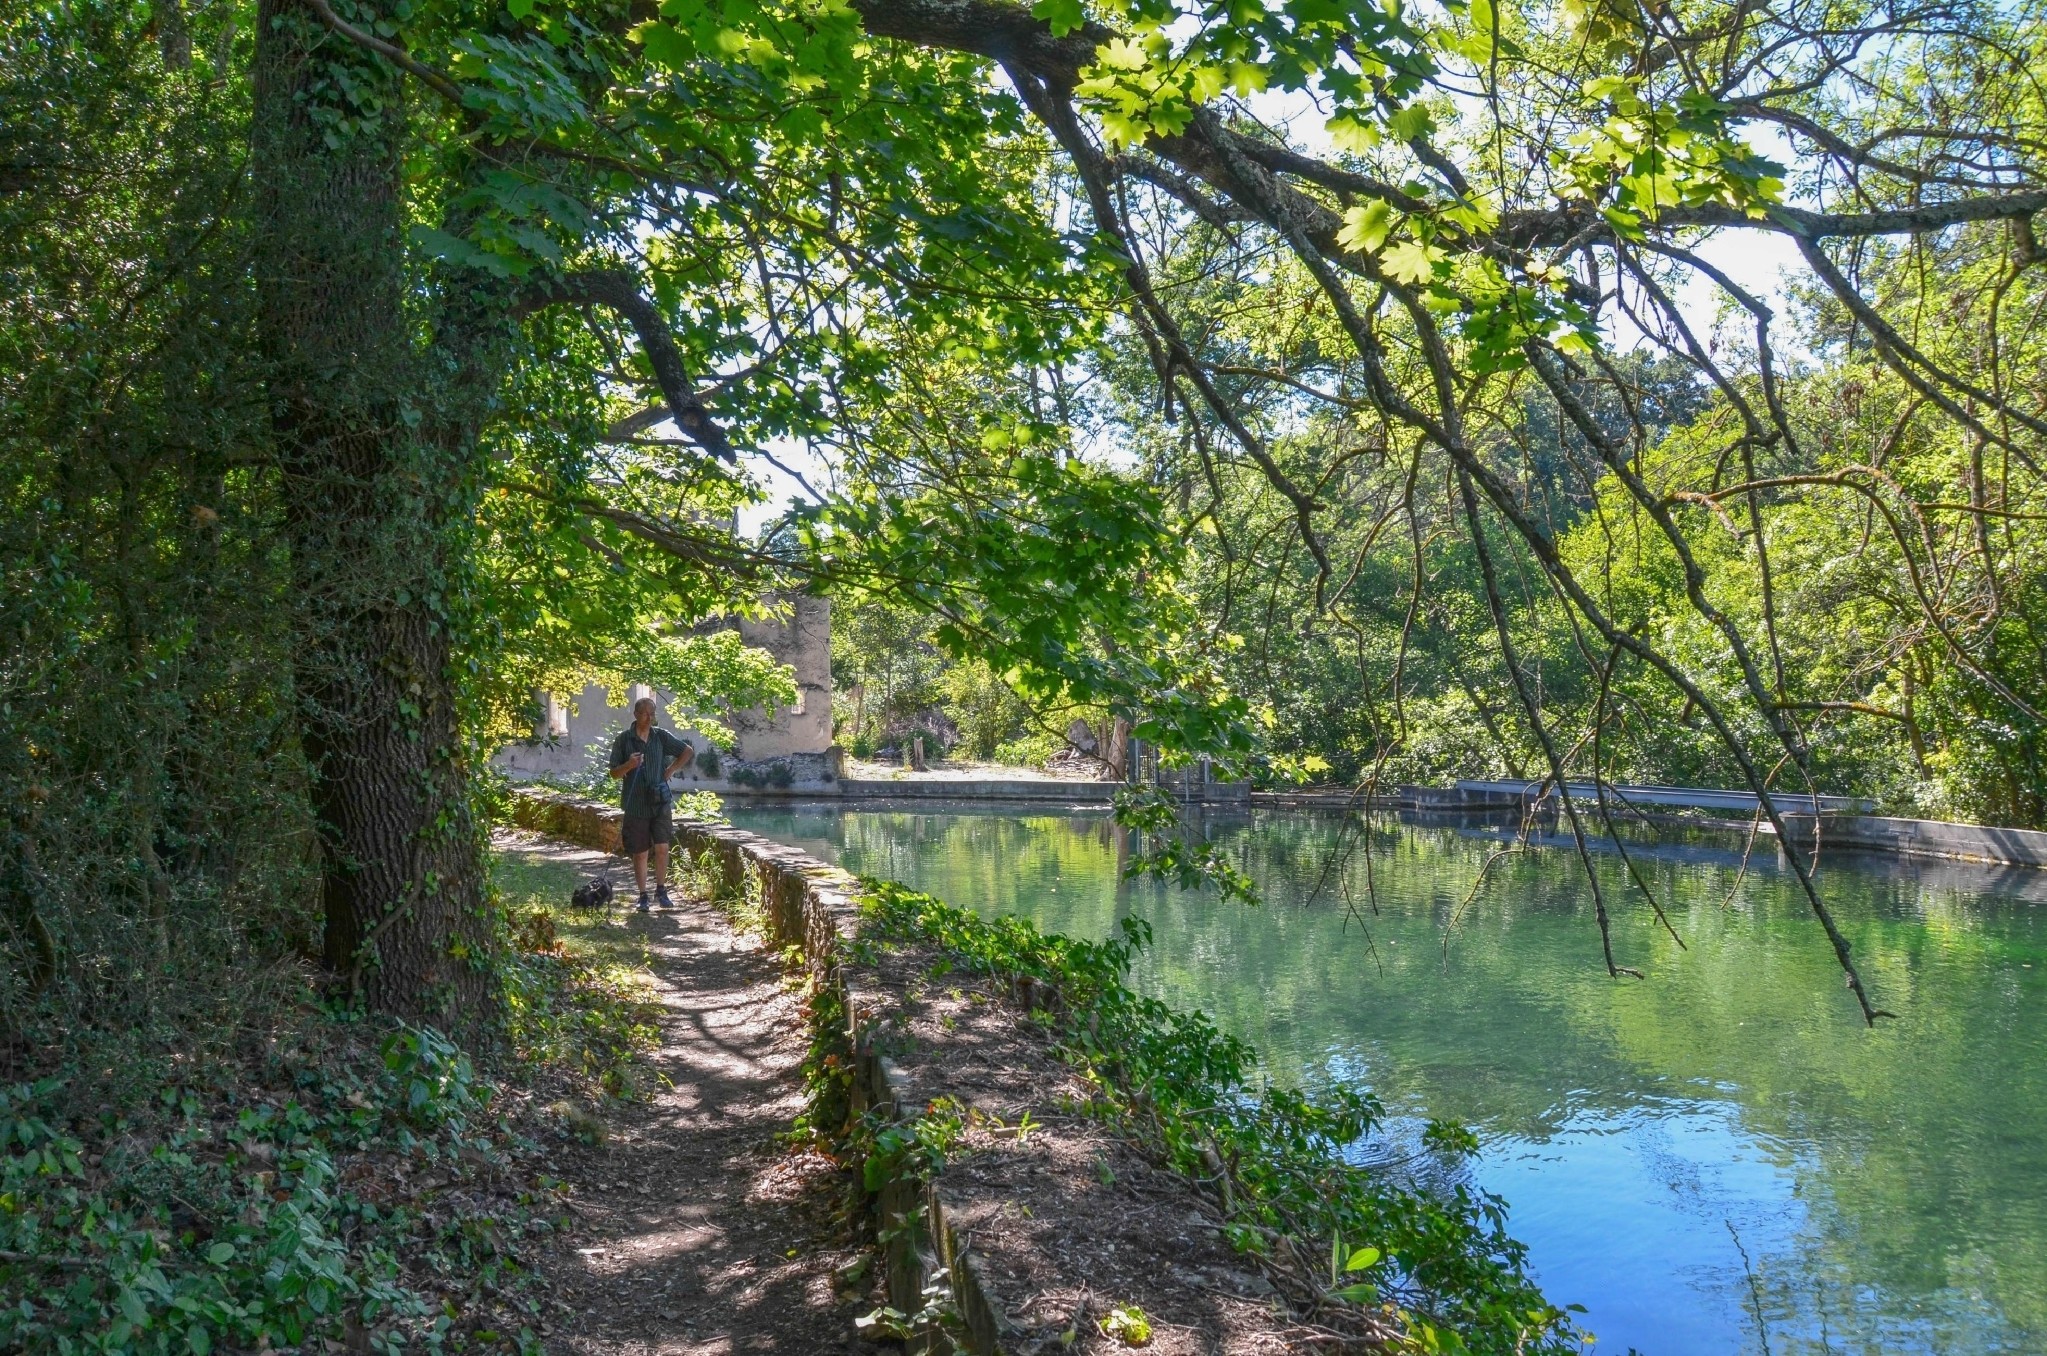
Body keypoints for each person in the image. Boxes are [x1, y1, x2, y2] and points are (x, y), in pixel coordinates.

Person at [608, 696, 695, 912]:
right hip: (636, 804)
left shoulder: (660, 737)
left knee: (663, 847)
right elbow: (613, 774)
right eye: (647, 713)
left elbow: (687, 751)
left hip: (660, 801)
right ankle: (642, 895)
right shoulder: (624, 740)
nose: (651, 718)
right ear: (637, 714)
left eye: (653, 713)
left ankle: (661, 890)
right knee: (640, 852)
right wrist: (629, 764)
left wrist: (671, 770)